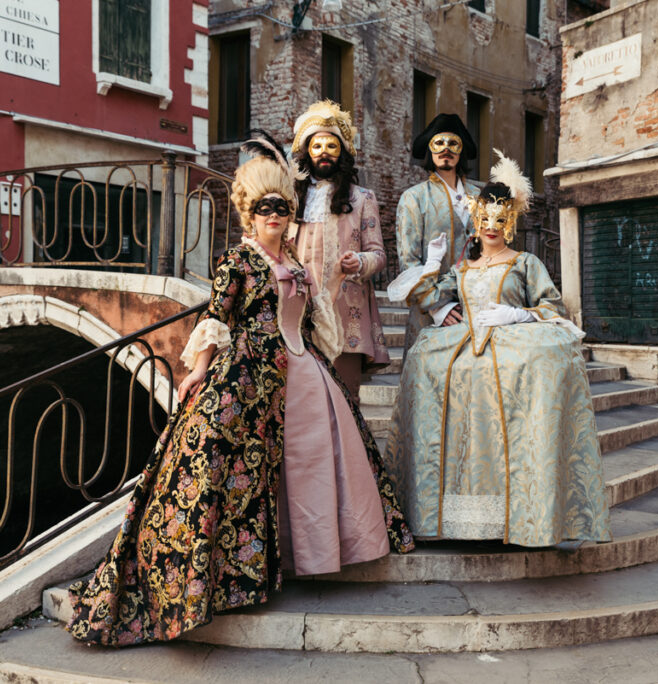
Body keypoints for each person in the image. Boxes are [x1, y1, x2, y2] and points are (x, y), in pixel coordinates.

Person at [67, 132, 414, 647]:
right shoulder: (239, 261)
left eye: (281, 208)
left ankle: (315, 553)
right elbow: (216, 317)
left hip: (303, 371)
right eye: (264, 209)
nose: (273, 216)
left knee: (314, 460)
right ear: (250, 215)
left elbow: (312, 317)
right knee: (224, 466)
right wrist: (198, 369)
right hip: (247, 376)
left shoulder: (295, 262)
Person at [384, 151, 610, 547]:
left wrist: (516, 316)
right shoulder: (462, 267)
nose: (491, 226)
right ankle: (455, 520)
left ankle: (518, 519)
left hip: (507, 356)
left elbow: (552, 308)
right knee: (422, 362)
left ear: (512, 220)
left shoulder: (526, 262)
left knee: (545, 362)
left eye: (499, 218)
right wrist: (431, 265)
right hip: (462, 355)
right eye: (484, 218)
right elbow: (425, 297)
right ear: (475, 218)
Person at [290, 100, 389, 399]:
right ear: (307, 151)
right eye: (316, 145)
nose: (323, 152)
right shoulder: (291, 198)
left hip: (346, 315)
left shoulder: (362, 198)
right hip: (299, 310)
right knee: (303, 399)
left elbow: (379, 255)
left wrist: (358, 261)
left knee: (345, 397)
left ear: (342, 152)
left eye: (331, 146)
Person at [395, 113, 481, 354]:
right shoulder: (414, 198)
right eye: (439, 143)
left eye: (453, 144)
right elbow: (409, 262)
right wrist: (438, 309)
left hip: (477, 310)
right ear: (430, 151)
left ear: (461, 151)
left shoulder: (481, 198)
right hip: (430, 314)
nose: (446, 149)